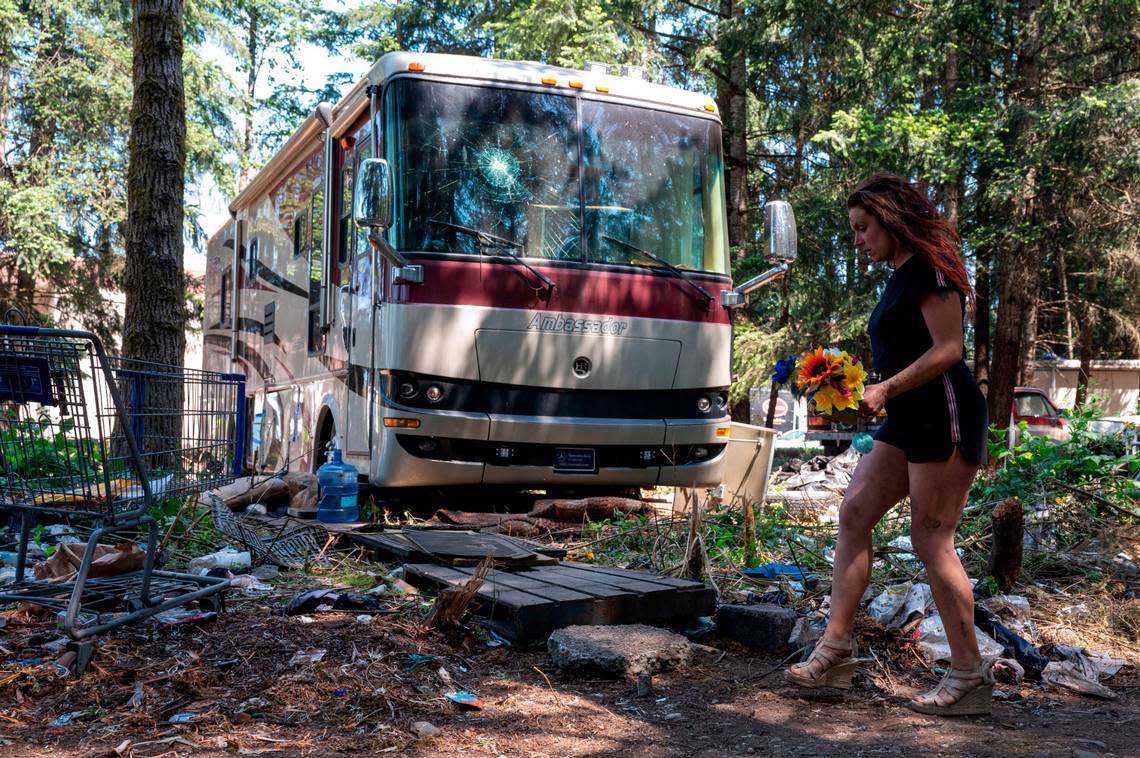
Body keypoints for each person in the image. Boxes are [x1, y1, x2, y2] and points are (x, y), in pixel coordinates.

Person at [785, 174, 992, 716]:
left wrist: (887, 387)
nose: (858, 240)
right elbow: (908, 349)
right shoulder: (899, 274)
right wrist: (857, 384)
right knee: (854, 513)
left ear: (891, 218)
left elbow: (949, 350)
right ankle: (837, 650)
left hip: (943, 413)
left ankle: (970, 675)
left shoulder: (931, 267)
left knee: (931, 540)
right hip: (908, 416)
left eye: (863, 228)